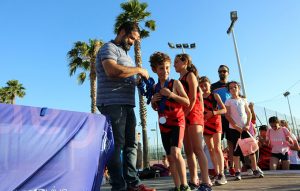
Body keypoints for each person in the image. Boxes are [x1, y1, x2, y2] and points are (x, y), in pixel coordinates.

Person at [96, 21, 155, 191]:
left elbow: (124, 74)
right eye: (131, 38)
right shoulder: (109, 48)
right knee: (117, 146)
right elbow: (112, 70)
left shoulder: (126, 55)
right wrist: (138, 70)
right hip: (113, 104)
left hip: (128, 105)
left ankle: (133, 184)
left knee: (131, 145)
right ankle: (119, 186)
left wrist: (136, 80)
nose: (132, 42)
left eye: (135, 40)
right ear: (121, 31)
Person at [150, 52, 191, 191]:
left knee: (176, 152)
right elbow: (156, 107)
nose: (165, 71)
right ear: (154, 69)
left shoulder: (175, 83)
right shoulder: (155, 87)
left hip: (177, 122)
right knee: (169, 156)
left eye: (167, 67)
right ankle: (177, 186)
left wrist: (172, 94)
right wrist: (153, 102)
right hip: (163, 125)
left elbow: (187, 101)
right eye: (161, 68)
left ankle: (185, 185)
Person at [174, 54, 212, 191]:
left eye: (177, 62)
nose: (174, 65)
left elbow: (193, 99)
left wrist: (185, 114)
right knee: (189, 151)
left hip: (193, 115)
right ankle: (194, 180)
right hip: (184, 116)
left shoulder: (190, 76)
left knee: (198, 149)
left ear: (186, 62)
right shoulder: (178, 80)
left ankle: (206, 182)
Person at [225, 81, 263, 180]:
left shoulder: (243, 100)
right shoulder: (228, 101)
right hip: (234, 129)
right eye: (231, 88)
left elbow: (249, 113)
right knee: (236, 151)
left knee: (251, 149)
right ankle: (237, 172)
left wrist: (247, 125)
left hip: (245, 129)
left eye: (235, 87)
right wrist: (236, 126)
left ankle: (255, 169)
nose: (233, 89)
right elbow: (227, 115)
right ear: (229, 90)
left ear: (238, 88)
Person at [199, 76, 227, 185]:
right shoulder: (200, 97)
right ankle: (216, 172)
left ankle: (222, 173)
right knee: (210, 149)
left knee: (217, 148)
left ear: (209, 84)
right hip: (205, 124)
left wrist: (214, 113)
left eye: (205, 85)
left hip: (215, 122)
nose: (204, 87)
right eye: (201, 86)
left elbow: (224, 109)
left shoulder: (215, 95)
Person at [211, 65, 235, 176]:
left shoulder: (232, 86)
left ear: (228, 73)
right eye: (220, 71)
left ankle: (232, 167)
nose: (222, 73)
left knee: (231, 143)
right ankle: (221, 168)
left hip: (230, 117)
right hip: (218, 117)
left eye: (224, 71)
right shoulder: (213, 86)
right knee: (217, 144)